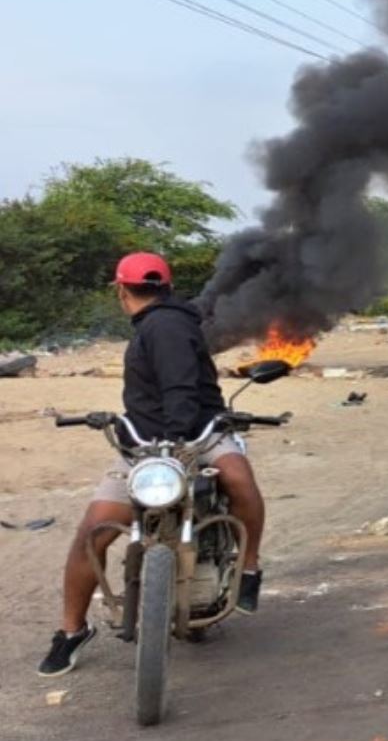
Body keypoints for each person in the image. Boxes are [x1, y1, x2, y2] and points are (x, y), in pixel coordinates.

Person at [40, 254, 269, 677]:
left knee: (235, 477)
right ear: (165, 286)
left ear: (120, 289)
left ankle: (250, 567)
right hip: (144, 446)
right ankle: (71, 631)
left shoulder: (166, 324)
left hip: (199, 435)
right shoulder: (171, 319)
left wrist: (179, 439)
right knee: (95, 529)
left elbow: (180, 387)